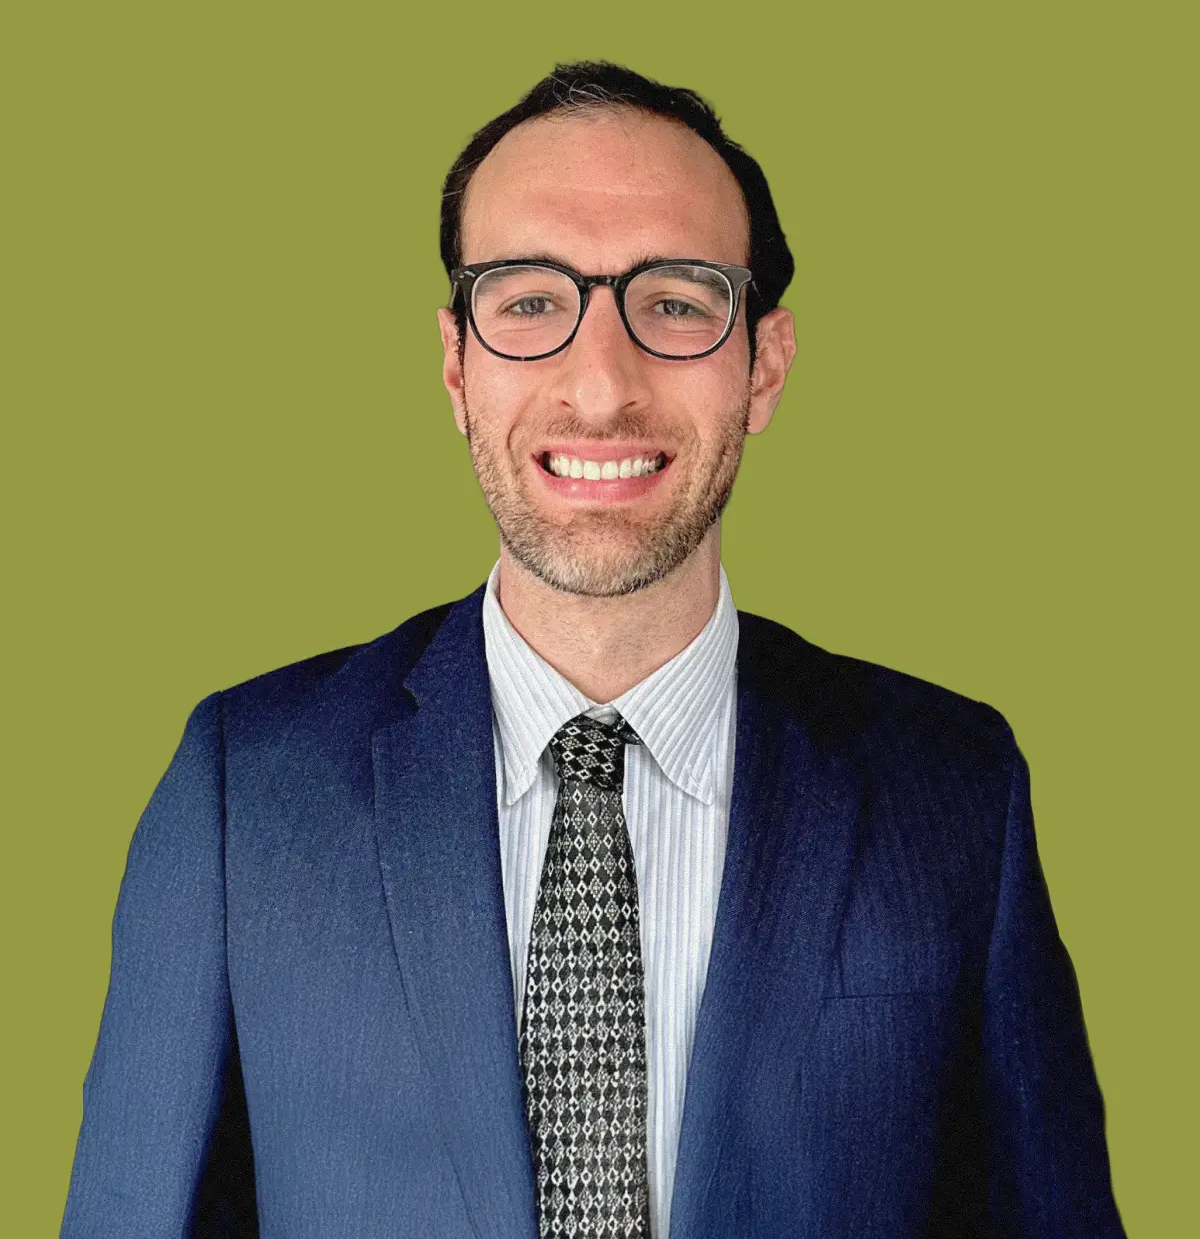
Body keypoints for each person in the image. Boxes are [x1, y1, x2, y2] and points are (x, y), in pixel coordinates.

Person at [61, 62, 1125, 1239]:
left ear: (764, 364)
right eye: (529, 302)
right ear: (457, 366)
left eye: (675, 301)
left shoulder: (956, 787)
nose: (603, 384)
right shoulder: (244, 789)